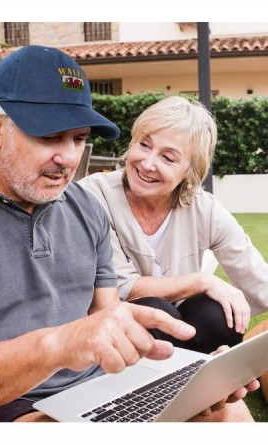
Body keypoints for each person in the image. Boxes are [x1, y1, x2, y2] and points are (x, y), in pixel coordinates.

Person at [0, 47, 256, 423]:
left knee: (228, 411)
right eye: (51, 137)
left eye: (78, 138)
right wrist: (60, 344)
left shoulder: (84, 206)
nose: (69, 158)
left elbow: (107, 316)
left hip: (95, 390)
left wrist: (182, 378)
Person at [79, 96, 268, 354]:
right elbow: (119, 288)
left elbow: (260, 282)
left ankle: (201, 373)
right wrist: (202, 281)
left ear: (191, 172)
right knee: (154, 309)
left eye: (168, 158)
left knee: (219, 313)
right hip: (110, 333)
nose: (147, 164)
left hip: (180, 332)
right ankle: (182, 380)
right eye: (144, 145)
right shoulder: (93, 195)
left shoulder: (204, 208)